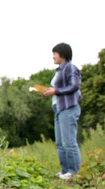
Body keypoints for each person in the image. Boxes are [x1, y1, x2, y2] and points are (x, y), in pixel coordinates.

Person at [43, 43, 82, 180]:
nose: (53, 56)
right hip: (58, 109)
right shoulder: (59, 71)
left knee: (69, 141)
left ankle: (74, 171)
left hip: (68, 108)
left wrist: (56, 91)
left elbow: (75, 85)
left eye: (55, 53)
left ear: (63, 54)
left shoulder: (70, 68)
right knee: (60, 143)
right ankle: (65, 170)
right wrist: (50, 91)